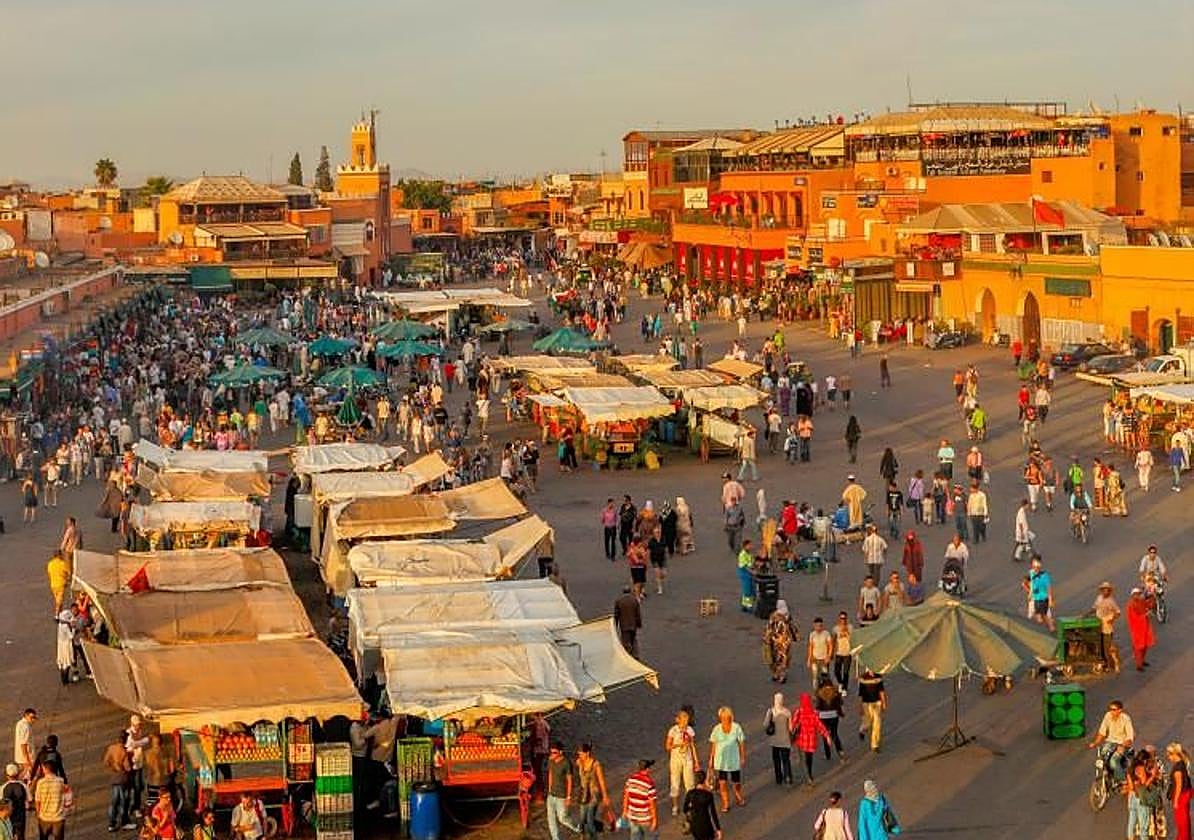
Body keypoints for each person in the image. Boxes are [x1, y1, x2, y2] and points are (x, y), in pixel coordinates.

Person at [707, 707, 746, 812]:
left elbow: (741, 742)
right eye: (722, 717)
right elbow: (714, 744)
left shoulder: (736, 727)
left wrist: (742, 756)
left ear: (730, 717)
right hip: (721, 760)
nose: (724, 719)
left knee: (736, 782)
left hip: (733, 759)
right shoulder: (716, 729)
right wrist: (711, 758)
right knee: (722, 783)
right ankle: (726, 802)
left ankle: (738, 794)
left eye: (726, 717)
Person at [1089, 700, 1135, 784]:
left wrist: (1123, 746)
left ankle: (1122, 780)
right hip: (1110, 742)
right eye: (1110, 709)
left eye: (1114, 709)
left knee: (1114, 761)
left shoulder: (1126, 719)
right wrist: (1095, 743)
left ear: (1119, 710)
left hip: (1122, 743)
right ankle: (1108, 773)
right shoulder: (1108, 716)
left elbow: (1130, 737)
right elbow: (1102, 732)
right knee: (1103, 755)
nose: (1111, 711)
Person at [790, 692, 831, 785]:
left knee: (803, 759)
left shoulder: (799, 712)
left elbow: (793, 726)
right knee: (809, 759)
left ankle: (808, 776)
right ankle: (810, 774)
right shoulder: (814, 713)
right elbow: (820, 726)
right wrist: (827, 736)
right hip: (811, 741)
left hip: (801, 740)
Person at [664, 710, 699, 816]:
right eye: (683, 721)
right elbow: (668, 746)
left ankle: (691, 804)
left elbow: (692, 746)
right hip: (676, 759)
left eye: (687, 721)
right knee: (675, 782)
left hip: (687, 759)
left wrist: (696, 761)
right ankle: (675, 806)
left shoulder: (690, 730)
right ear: (678, 720)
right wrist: (679, 744)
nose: (685, 723)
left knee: (690, 782)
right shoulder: (673, 731)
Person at [544, 741, 581, 840]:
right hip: (551, 795)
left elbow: (569, 780)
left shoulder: (566, 763)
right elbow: (550, 774)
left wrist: (569, 797)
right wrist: (549, 789)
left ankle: (578, 828)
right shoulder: (550, 761)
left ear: (561, 752)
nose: (552, 755)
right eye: (551, 752)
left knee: (562, 818)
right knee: (551, 819)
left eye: (554, 753)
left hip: (561, 796)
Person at [575, 743, 610, 840]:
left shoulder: (596, 765)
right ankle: (585, 834)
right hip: (583, 793)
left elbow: (601, 781)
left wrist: (605, 796)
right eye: (579, 754)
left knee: (589, 820)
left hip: (594, 794)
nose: (580, 755)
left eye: (581, 753)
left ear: (587, 753)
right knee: (582, 819)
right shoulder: (579, 762)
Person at [102, 729, 132, 832]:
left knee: (114, 801)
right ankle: (124, 822)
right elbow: (127, 767)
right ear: (125, 740)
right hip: (123, 778)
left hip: (114, 777)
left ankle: (111, 823)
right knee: (123, 801)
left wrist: (113, 767)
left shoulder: (111, 748)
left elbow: (106, 762)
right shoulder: (124, 751)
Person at [621, 759, 657, 840]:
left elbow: (626, 796)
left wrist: (624, 811)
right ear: (647, 769)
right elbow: (652, 804)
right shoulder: (649, 784)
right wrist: (654, 820)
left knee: (635, 837)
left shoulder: (631, 780)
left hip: (633, 816)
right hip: (645, 818)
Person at [763, 601, 798, 683]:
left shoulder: (787, 616)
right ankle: (776, 674)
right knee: (774, 658)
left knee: (783, 659)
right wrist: (767, 638)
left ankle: (782, 675)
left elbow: (791, 627)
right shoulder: (774, 617)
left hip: (784, 642)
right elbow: (769, 628)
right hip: (776, 641)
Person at [763, 693, 793, 785]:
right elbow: (791, 728)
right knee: (786, 760)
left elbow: (765, 724)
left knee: (776, 760)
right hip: (785, 740)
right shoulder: (787, 712)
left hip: (775, 741)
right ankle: (788, 777)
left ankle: (778, 778)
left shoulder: (771, 711)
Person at [1092, 581, 1122, 673]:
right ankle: (1103, 664)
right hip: (1098, 624)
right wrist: (1084, 615)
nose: (1105, 592)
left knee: (1107, 648)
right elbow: (1094, 608)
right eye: (1103, 590)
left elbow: (1118, 612)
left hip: (1106, 627)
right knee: (1098, 647)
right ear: (1101, 591)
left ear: (1109, 591)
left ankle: (1110, 665)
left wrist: (1112, 620)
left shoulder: (1111, 601)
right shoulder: (1099, 598)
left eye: (1107, 590)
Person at [1125, 587, 1157, 672]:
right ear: (1132, 595)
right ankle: (1138, 665)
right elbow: (1133, 618)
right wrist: (1145, 616)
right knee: (1138, 647)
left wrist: (1152, 597)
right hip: (1136, 628)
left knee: (1145, 645)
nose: (1138, 595)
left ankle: (1142, 661)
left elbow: (1150, 605)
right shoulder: (1130, 605)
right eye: (1136, 594)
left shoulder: (1141, 601)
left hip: (1144, 625)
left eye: (1139, 594)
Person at [32, 763, 66, 840]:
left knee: (43, 838)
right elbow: (66, 798)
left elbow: (37, 800)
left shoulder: (40, 783)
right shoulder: (61, 781)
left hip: (44, 817)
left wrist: (38, 813)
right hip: (58, 817)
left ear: (46, 769)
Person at [857, 670, 886, 752]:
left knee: (877, 722)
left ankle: (875, 744)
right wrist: (860, 707)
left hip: (877, 702)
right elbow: (860, 695)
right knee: (868, 722)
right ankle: (862, 729)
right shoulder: (863, 678)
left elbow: (881, 691)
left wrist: (884, 702)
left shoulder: (878, 678)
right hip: (866, 703)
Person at [1167, 742, 1191, 840]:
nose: (1168, 757)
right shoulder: (1183, 763)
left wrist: (1176, 801)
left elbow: (1179, 785)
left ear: (1174, 754)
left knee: (1181, 822)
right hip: (1186, 794)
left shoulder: (1177, 769)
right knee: (1185, 821)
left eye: (1169, 754)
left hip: (1181, 797)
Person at [1027, 555, 1055, 632]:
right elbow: (1032, 583)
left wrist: (1050, 600)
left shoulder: (1045, 576)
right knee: (1039, 615)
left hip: (1043, 598)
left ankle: (1051, 626)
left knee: (1043, 615)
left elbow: (1049, 588)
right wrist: (1030, 593)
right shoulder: (1031, 572)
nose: (1035, 566)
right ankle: (1050, 623)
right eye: (1034, 564)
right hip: (1036, 598)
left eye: (1037, 564)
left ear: (1040, 564)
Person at [614, 587, 642, 656]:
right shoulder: (634, 600)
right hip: (633, 625)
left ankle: (628, 654)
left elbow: (616, 614)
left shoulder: (619, 601)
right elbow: (638, 613)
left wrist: (616, 624)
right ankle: (635, 654)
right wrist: (639, 623)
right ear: (630, 592)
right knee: (633, 639)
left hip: (624, 625)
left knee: (626, 641)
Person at [2, 764, 28, 840]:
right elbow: (29, 800)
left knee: (8, 836)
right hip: (20, 817)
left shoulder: (3, 787)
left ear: (7, 775)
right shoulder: (23, 786)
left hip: (7, 818)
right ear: (18, 775)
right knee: (21, 836)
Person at [807, 617, 833, 688]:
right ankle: (816, 692)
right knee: (815, 676)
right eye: (817, 626)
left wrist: (828, 656)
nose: (819, 628)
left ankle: (824, 691)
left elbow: (830, 645)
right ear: (814, 626)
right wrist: (809, 658)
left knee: (825, 676)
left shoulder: (826, 634)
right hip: (815, 658)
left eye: (820, 626)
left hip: (824, 659)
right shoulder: (812, 634)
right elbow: (811, 646)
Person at [832, 612, 854, 690]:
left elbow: (853, 639)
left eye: (844, 618)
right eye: (841, 618)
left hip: (847, 653)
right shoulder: (835, 629)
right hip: (839, 653)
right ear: (839, 619)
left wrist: (846, 632)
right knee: (836, 671)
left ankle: (845, 688)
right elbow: (833, 641)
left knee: (846, 672)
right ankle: (840, 682)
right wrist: (831, 653)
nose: (843, 620)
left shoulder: (850, 627)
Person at [14, 709, 36, 781]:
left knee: (23, 774)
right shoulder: (26, 726)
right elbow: (23, 744)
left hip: (20, 756)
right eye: (31, 717)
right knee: (26, 775)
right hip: (25, 757)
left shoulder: (19, 723)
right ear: (26, 716)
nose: (33, 720)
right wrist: (27, 760)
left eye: (34, 718)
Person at [1012, 498, 1035, 563]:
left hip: (1024, 531)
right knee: (1024, 544)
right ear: (1025, 505)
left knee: (1023, 544)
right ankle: (1030, 555)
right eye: (1027, 505)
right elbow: (1021, 524)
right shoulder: (1021, 513)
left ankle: (1018, 556)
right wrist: (1022, 533)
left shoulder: (1021, 512)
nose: (1028, 506)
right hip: (1022, 532)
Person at [735, 539, 754, 613]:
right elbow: (745, 566)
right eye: (749, 545)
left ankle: (744, 605)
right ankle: (748, 606)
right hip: (745, 573)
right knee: (747, 589)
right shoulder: (742, 554)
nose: (751, 546)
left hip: (748, 573)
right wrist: (752, 572)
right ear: (745, 546)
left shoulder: (748, 553)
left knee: (749, 589)